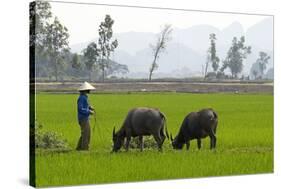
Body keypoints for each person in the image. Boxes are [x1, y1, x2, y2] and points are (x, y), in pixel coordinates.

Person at [76, 81, 96, 151]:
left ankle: (79, 148)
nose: (89, 90)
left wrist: (89, 107)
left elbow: (84, 106)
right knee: (86, 134)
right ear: (85, 90)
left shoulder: (84, 97)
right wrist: (89, 111)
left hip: (84, 118)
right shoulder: (82, 98)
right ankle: (84, 149)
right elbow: (80, 108)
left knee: (84, 133)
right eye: (88, 89)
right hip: (83, 118)